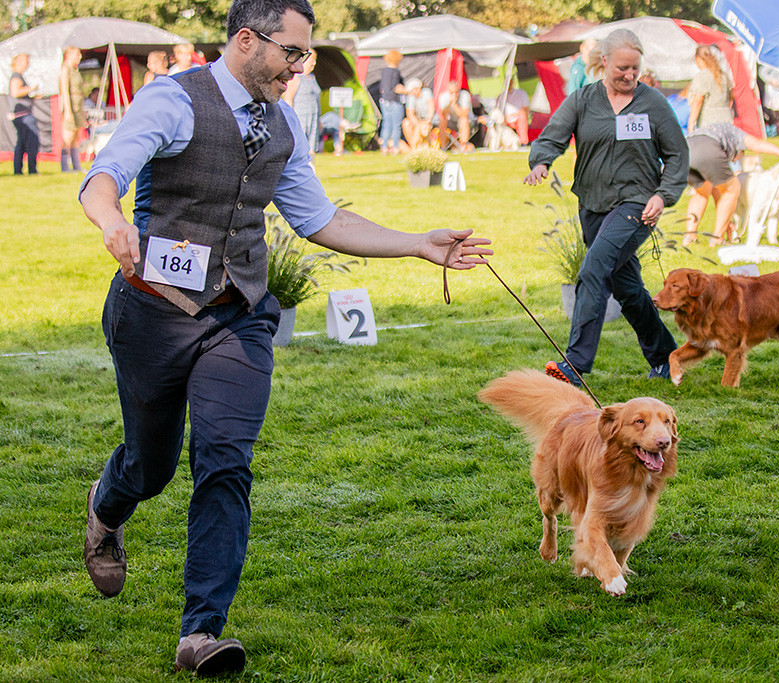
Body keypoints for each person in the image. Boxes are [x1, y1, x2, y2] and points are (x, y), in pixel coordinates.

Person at [77, 0, 492, 675]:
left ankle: (200, 632)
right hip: (153, 312)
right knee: (150, 467)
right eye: (291, 52)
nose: (299, 66)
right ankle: (107, 503)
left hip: (238, 315)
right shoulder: (171, 100)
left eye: (303, 55)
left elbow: (320, 218)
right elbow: (104, 177)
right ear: (246, 40)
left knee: (225, 460)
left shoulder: (283, 124)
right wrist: (110, 222)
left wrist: (419, 245)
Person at [524, 28, 686, 386]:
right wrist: (542, 162)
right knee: (627, 288)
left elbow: (677, 155)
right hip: (593, 206)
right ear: (605, 61)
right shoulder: (583, 100)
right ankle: (665, 356)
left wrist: (662, 195)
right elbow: (553, 135)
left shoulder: (653, 103)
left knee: (594, 269)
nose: (629, 76)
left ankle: (575, 365)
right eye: (623, 68)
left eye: (635, 69)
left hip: (637, 205)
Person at [682, 121, 779, 246]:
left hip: (686, 149)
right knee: (733, 188)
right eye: (737, 158)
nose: (734, 161)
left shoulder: (716, 130)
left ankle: (690, 236)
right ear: (740, 150)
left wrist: (726, 221)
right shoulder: (735, 133)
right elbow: (756, 144)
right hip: (708, 147)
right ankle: (717, 239)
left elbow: (718, 191)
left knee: (702, 193)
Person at [282, 47, 320, 162]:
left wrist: (320, 119)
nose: (314, 63)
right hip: (300, 117)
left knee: (311, 146)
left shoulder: (312, 78)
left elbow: (316, 99)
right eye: (312, 59)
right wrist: (290, 120)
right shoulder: (296, 78)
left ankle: (311, 169)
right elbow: (288, 99)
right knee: (300, 146)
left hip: (313, 117)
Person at [687, 45, 733, 132]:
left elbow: (698, 101)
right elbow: (731, 98)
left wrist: (691, 123)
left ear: (698, 59)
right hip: (727, 120)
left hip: (708, 123)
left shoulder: (702, 76)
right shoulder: (723, 75)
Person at [9, 53, 40, 175]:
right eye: (26, 61)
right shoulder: (16, 76)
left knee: (21, 144)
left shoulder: (18, 76)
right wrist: (31, 89)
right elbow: (15, 92)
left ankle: (18, 171)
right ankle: (32, 170)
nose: (28, 64)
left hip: (22, 115)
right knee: (32, 142)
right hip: (23, 116)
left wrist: (31, 97)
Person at [59, 46, 87, 173]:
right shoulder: (65, 69)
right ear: (69, 55)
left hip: (78, 105)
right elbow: (64, 90)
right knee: (68, 136)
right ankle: (64, 166)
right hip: (70, 105)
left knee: (76, 136)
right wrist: (68, 111)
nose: (79, 57)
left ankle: (76, 165)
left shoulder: (76, 70)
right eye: (77, 54)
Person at [378, 49, 405, 155]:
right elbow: (396, 87)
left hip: (384, 101)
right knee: (396, 126)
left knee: (386, 124)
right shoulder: (395, 72)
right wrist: (408, 91)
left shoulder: (384, 71)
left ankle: (384, 147)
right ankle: (395, 147)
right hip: (395, 102)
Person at [438, 78, 476, 152]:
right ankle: (443, 146)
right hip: (452, 121)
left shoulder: (464, 95)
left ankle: (463, 145)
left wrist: (454, 104)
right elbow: (443, 114)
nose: (454, 94)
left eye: (456, 92)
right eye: (451, 92)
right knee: (442, 121)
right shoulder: (443, 96)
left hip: (468, 121)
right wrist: (449, 104)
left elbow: (464, 114)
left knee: (463, 120)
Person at [401, 77, 434, 151]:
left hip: (429, 119)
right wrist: (418, 124)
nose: (410, 93)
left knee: (424, 127)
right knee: (406, 123)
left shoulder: (426, 92)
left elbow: (431, 107)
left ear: (418, 88)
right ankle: (414, 147)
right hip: (419, 120)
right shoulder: (411, 97)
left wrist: (429, 119)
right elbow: (410, 113)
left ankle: (425, 147)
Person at [500, 79, 531, 146]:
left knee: (522, 114)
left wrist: (515, 115)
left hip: (518, 118)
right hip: (504, 119)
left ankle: (523, 142)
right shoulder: (501, 97)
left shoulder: (521, 93)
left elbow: (526, 110)